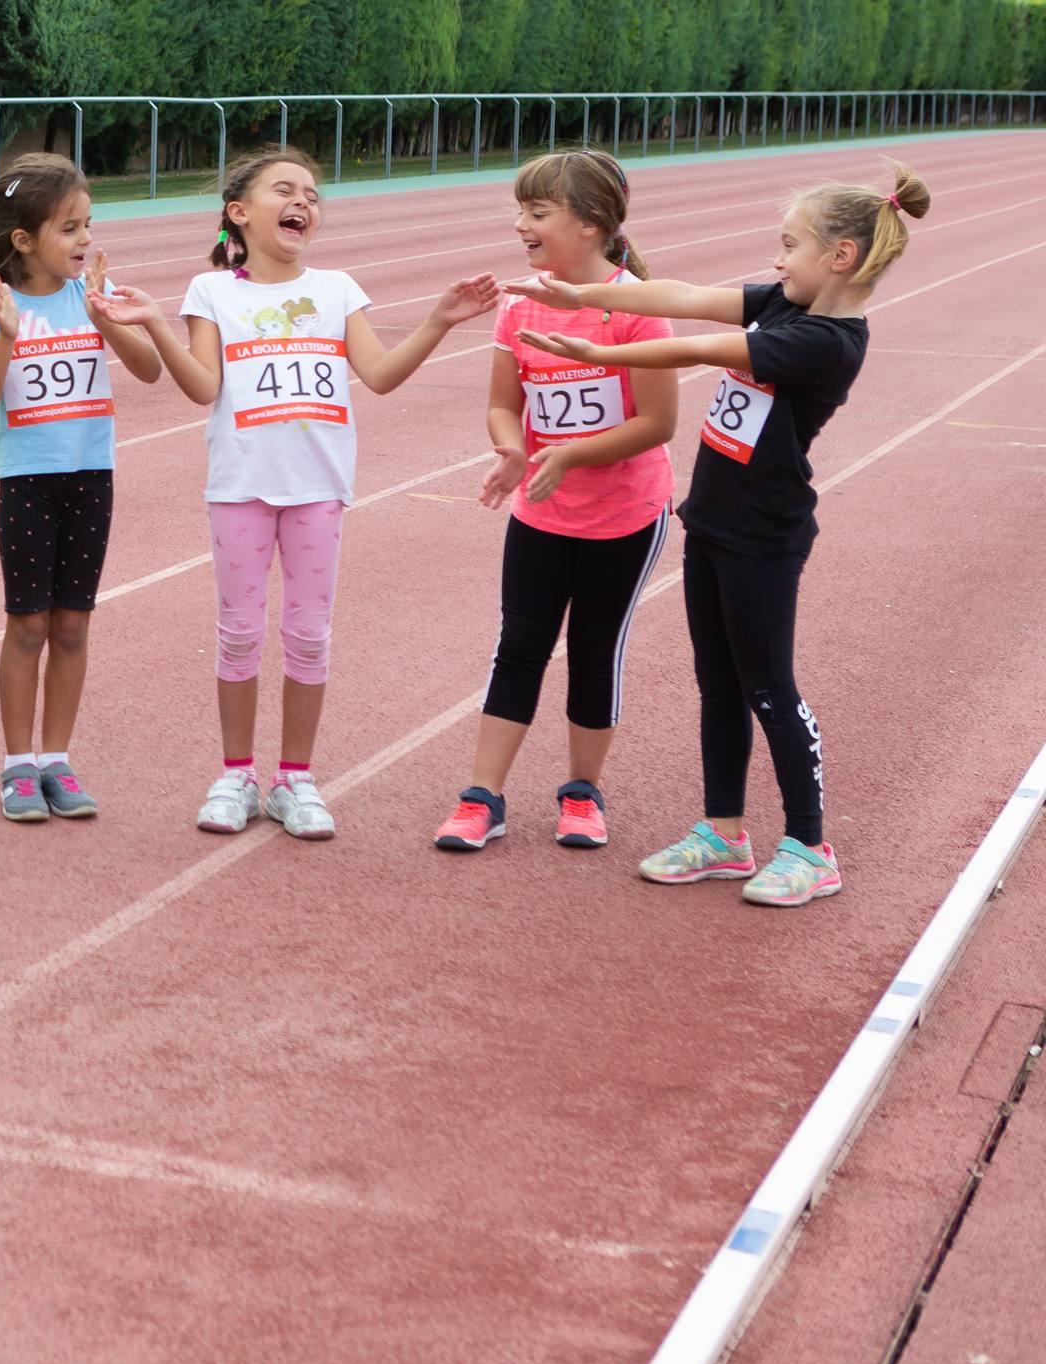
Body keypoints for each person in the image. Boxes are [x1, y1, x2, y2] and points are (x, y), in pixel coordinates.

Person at [511, 162, 931, 907]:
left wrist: (604, 353)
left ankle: (809, 845)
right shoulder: (783, 302)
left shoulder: (827, 341)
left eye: (789, 244)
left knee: (771, 687)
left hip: (763, 535)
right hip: (711, 518)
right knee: (719, 685)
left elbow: (701, 348)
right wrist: (587, 294)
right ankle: (724, 834)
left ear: (839, 257)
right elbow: (684, 298)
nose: (776, 259)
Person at [95, 144, 498, 840]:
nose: (303, 202)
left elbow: (379, 375)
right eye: (285, 190)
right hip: (241, 488)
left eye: (312, 194)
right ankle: (236, 775)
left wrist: (438, 320)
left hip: (317, 488)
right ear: (239, 213)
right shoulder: (212, 291)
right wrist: (157, 322)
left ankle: (296, 780)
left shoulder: (339, 289)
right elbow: (203, 388)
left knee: (309, 637)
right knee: (240, 633)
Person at [433, 149, 678, 852]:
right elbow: (502, 405)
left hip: (626, 516)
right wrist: (512, 447)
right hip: (542, 511)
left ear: (592, 223)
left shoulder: (635, 312)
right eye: (521, 211)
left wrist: (568, 453)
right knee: (520, 646)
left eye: (537, 212)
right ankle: (482, 798)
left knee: (595, 651)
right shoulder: (519, 303)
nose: (521, 225)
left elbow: (656, 423)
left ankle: (582, 792)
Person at [0, 153, 161, 823]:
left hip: (90, 478)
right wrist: (8, 339)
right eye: (70, 228)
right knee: (28, 624)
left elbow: (150, 369)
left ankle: (57, 759)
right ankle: (19, 765)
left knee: (73, 624)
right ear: (24, 240)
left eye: (88, 224)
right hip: (26, 483)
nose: (85, 240)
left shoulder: (90, 296)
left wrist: (110, 323)